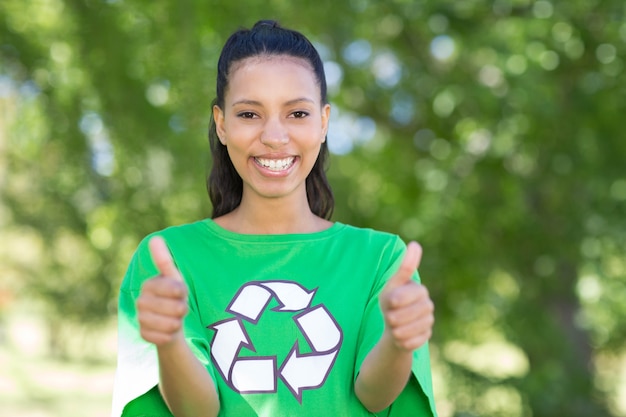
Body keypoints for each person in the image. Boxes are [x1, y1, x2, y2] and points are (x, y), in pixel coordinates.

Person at [112, 20, 437, 417]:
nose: (274, 136)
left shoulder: (381, 259)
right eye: (249, 114)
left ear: (323, 122)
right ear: (221, 124)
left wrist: (400, 341)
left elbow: (375, 395)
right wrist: (168, 341)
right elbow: (196, 410)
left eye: (297, 113)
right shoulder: (170, 259)